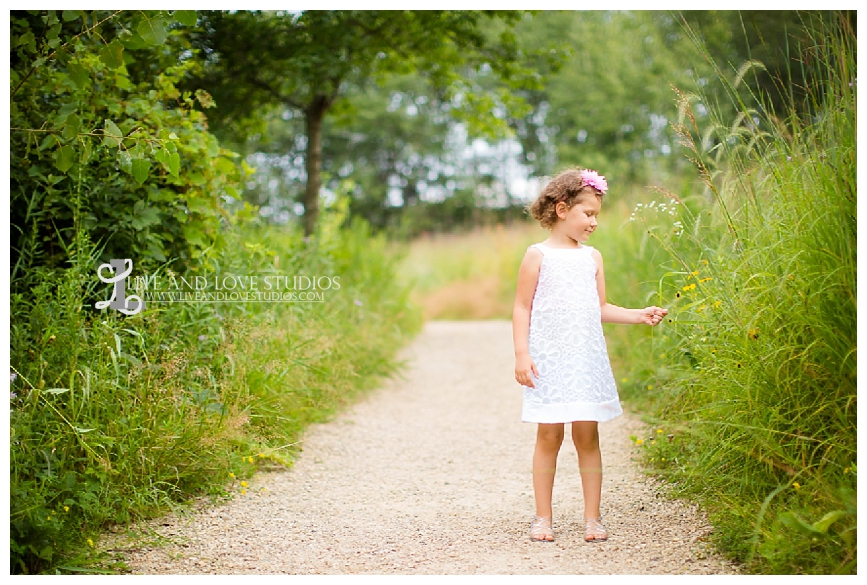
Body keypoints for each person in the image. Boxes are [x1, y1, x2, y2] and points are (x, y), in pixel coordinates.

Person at [512, 168, 667, 543]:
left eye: (597, 214)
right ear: (562, 209)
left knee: (588, 437)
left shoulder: (592, 258)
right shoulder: (537, 256)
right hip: (549, 362)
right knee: (549, 436)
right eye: (588, 214)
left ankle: (593, 519)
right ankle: (543, 518)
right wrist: (521, 354)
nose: (594, 222)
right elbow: (521, 307)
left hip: (585, 360)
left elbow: (599, 307)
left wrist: (637, 315)